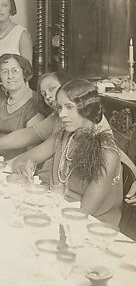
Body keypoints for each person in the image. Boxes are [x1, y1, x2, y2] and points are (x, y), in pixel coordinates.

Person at [19, 80, 123, 226]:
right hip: (58, 213)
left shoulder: (107, 153)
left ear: (87, 108)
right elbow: (25, 159)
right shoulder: (63, 137)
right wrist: (26, 165)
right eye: (60, 107)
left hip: (92, 228)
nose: (61, 114)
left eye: (69, 107)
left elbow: (83, 213)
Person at [0, 70, 72, 156]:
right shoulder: (55, 116)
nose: (47, 96)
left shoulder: (75, 117)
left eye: (52, 89)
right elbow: (27, 135)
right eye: (44, 94)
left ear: (67, 86)